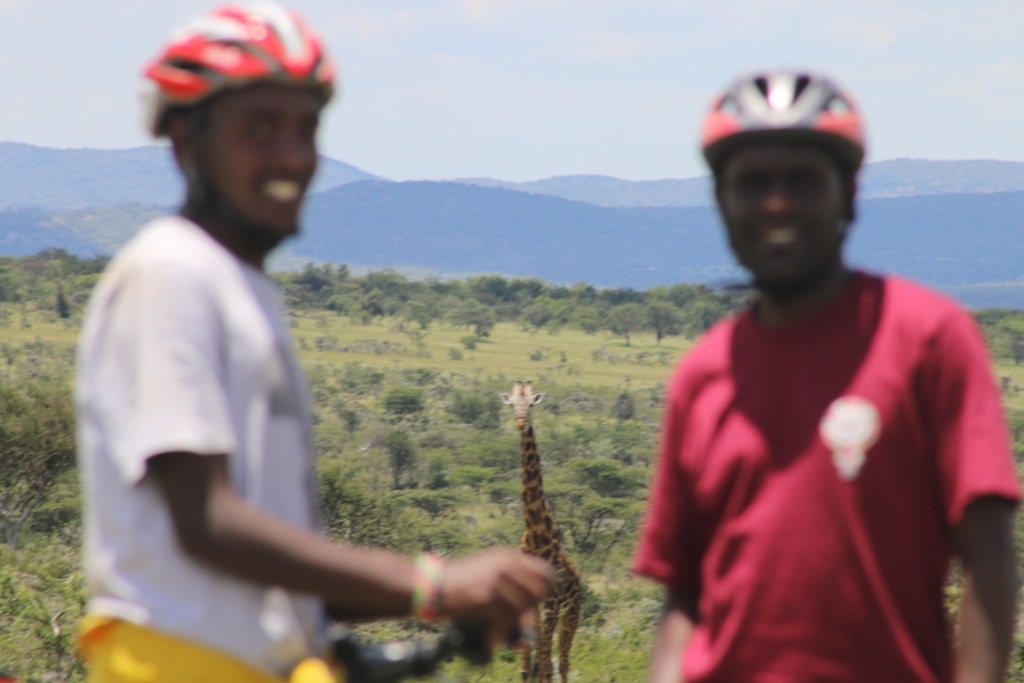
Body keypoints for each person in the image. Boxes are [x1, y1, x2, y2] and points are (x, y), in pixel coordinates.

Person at [74, 4, 552, 682]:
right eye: (258, 130)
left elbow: (272, 572)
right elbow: (207, 522)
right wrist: (433, 584)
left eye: (306, 129)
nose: (293, 157)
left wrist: (438, 605)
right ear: (184, 141)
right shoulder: (171, 273)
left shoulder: (242, 289)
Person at [633, 71, 1020, 683]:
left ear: (849, 195)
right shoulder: (701, 375)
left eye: (804, 181)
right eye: (753, 183)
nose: (777, 203)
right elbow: (684, 592)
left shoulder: (929, 338)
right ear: (722, 201)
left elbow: (988, 549)